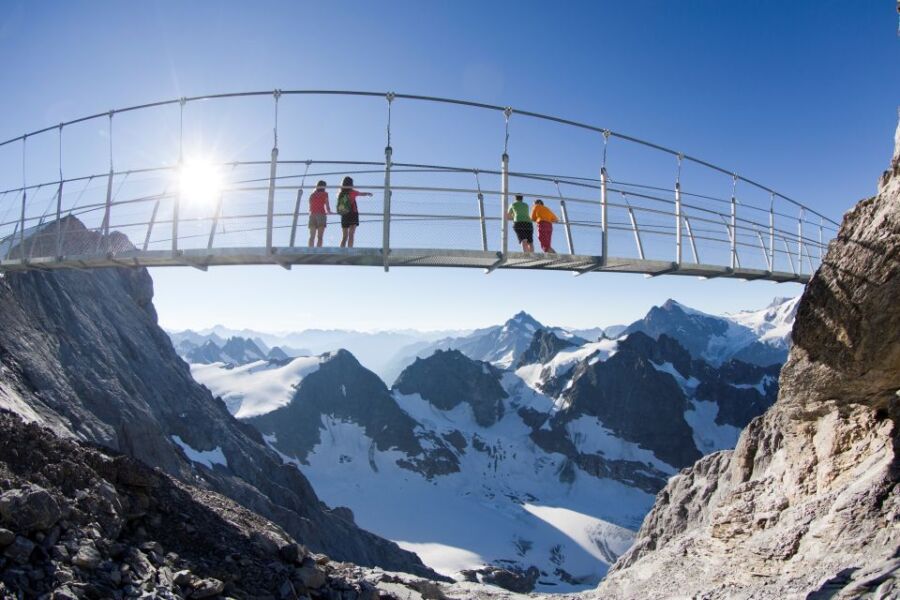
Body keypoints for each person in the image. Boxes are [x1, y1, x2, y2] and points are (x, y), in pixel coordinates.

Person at [335, 176, 373, 248]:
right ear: (351, 184)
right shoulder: (353, 192)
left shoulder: (340, 193)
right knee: (351, 234)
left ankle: (341, 251)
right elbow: (362, 194)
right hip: (353, 213)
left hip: (344, 214)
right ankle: (349, 250)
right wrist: (368, 193)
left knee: (344, 236)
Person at [308, 180, 331, 248]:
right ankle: (318, 250)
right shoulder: (325, 194)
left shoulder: (312, 195)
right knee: (320, 236)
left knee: (312, 236)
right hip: (321, 214)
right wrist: (329, 211)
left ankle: (310, 250)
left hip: (312, 215)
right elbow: (327, 206)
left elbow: (310, 205)